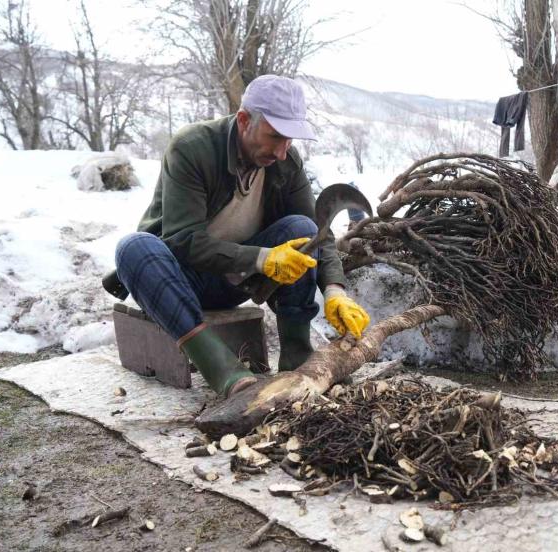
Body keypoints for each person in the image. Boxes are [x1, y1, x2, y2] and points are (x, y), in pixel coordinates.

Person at [113, 75, 370, 399]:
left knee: (302, 229)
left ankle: (297, 356)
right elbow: (181, 240)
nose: (281, 151)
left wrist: (335, 290)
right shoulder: (192, 148)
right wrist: (263, 258)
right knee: (132, 247)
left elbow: (318, 233)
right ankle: (223, 371)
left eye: (289, 140)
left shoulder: (286, 162)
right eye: (274, 136)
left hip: (234, 281)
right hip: (174, 282)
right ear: (245, 120)